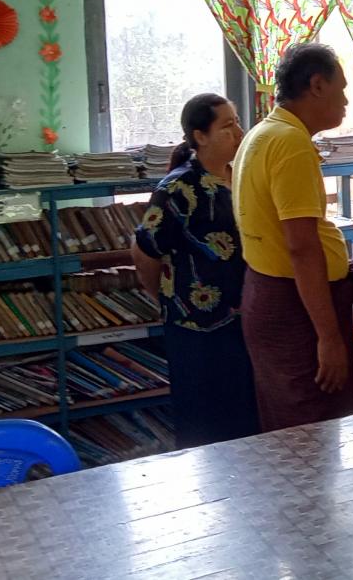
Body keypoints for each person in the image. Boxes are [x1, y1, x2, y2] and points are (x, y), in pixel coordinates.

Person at [233, 43, 353, 432]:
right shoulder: (290, 143)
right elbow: (301, 247)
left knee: (290, 431)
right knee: (315, 431)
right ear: (317, 85)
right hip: (295, 307)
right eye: (341, 88)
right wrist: (329, 337)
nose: (346, 100)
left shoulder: (262, 133)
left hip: (268, 293)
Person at [131, 93, 259, 448]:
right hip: (196, 326)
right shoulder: (178, 188)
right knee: (205, 425)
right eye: (227, 125)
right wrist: (166, 298)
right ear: (200, 136)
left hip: (247, 318)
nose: (239, 132)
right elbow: (145, 251)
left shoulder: (242, 175)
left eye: (237, 122)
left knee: (247, 418)